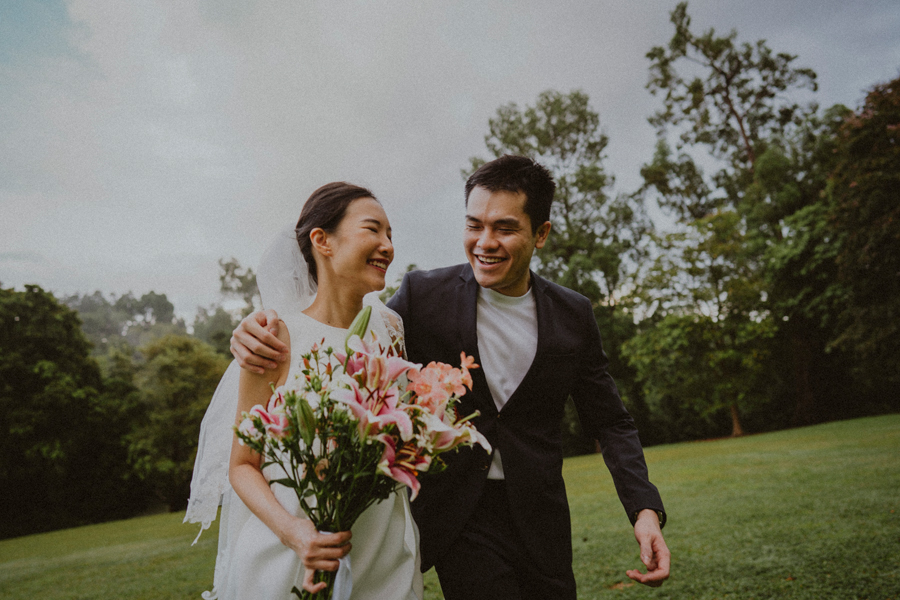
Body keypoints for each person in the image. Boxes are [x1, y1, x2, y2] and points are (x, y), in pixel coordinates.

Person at [230, 156, 670, 600]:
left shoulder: (573, 315)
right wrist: (251, 329)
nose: (485, 242)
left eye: (504, 228)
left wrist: (644, 510)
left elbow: (611, 422)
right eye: (474, 225)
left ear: (541, 233)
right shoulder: (422, 299)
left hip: (542, 517)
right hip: (461, 518)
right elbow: (340, 335)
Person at [185, 182, 423, 600]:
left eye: (391, 235)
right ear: (322, 241)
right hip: (293, 553)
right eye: (373, 230)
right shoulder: (274, 337)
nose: (387, 245)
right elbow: (242, 464)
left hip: (383, 549)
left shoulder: (391, 330)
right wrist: (294, 533)